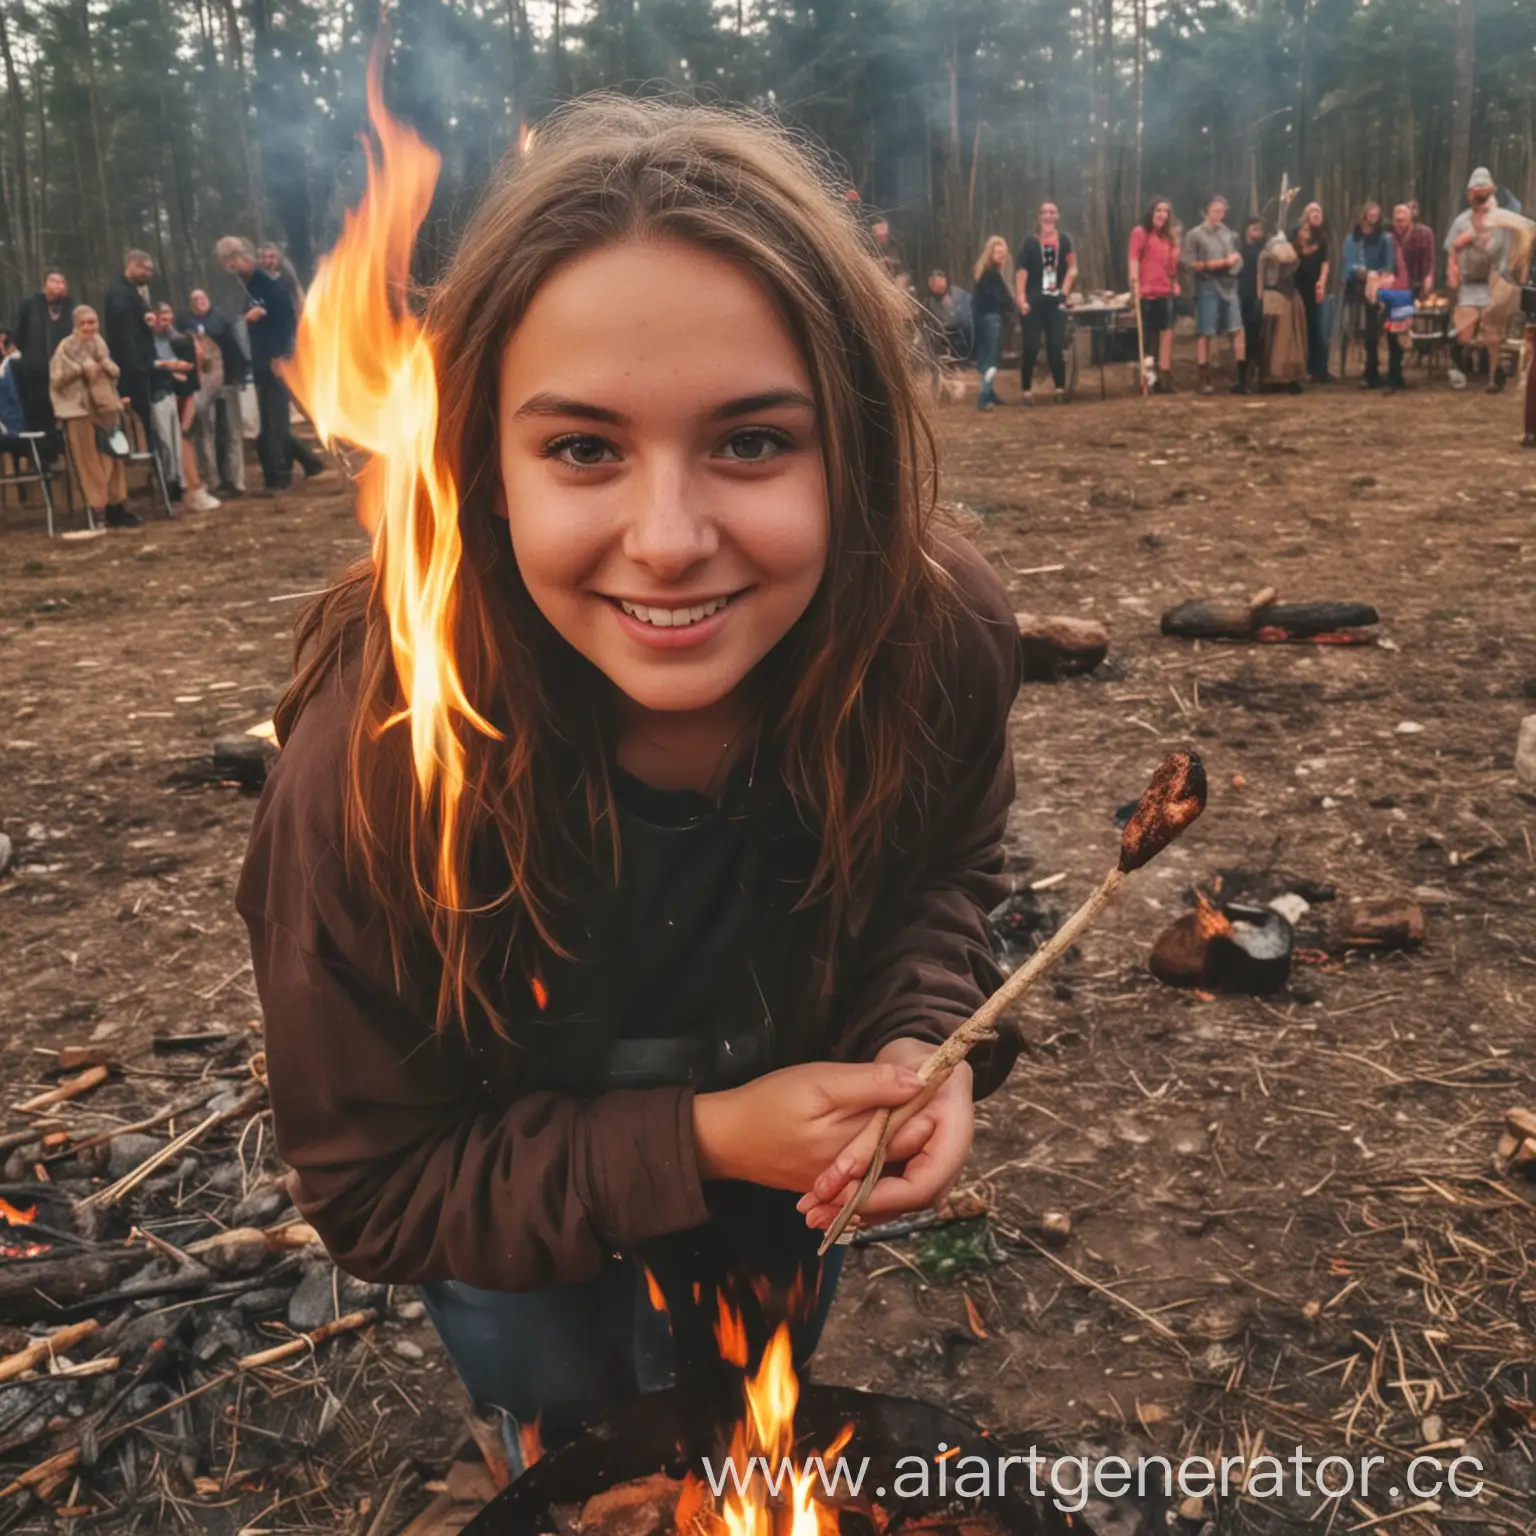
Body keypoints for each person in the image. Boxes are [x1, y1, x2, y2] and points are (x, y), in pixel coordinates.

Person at [236, 97, 1023, 1468]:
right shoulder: (380, 762)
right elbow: (379, 1187)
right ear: (481, 466)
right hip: (506, 1203)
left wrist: (920, 1032)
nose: (667, 542)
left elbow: (943, 877)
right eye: (585, 448)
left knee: (750, 1391)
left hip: (791, 1169)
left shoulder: (929, 639)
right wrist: (707, 1136)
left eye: (754, 441)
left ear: (858, 452)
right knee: (567, 1409)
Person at [217, 235, 327, 491]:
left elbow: (288, 322)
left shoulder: (268, 284)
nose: (231, 268)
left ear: (243, 258)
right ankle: (307, 464)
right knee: (268, 419)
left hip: (275, 361)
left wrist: (283, 357)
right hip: (257, 362)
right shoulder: (242, 287)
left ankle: (280, 475)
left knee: (275, 420)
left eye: (233, 262)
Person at [1444, 167, 1533, 393]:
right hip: (1470, 282)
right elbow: (1451, 251)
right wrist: (1452, 270)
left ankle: (1494, 377)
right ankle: (1462, 361)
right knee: (1465, 333)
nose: (1480, 197)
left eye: (1484, 192)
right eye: (1476, 192)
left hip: (1498, 280)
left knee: (1492, 332)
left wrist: (1521, 265)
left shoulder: (1503, 219)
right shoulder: (1462, 221)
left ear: (1491, 191)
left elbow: (1529, 230)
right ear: (1469, 195)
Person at [49, 305, 136, 528]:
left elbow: (112, 373)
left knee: (113, 457)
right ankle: (98, 509)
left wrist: (106, 366)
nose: (88, 327)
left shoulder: (100, 344)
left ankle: (117, 507)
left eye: (92, 322)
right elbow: (56, 379)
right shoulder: (66, 347)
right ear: (75, 325)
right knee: (90, 462)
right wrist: (80, 370)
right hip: (80, 411)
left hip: (106, 408)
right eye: (83, 323)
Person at [151, 302, 220, 512]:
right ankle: (191, 489)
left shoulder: (178, 338)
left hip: (184, 392)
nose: (166, 321)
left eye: (169, 315)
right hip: (166, 395)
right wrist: (171, 370)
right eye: (161, 317)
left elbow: (193, 366)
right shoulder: (152, 343)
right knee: (177, 442)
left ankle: (191, 488)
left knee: (183, 436)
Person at [180, 288, 248, 497]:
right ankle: (212, 481)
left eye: (202, 298)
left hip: (226, 381)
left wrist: (239, 376)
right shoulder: (185, 324)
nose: (199, 301)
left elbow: (235, 349)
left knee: (232, 433)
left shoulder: (222, 321)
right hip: (201, 385)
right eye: (194, 299)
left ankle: (237, 481)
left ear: (208, 299)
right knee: (204, 434)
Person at [1183, 195, 1247, 394]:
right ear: (1207, 211)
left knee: (1237, 329)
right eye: (1216, 210)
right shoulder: (1195, 235)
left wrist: (1235, 262)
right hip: (1208, 284)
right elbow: (1188, 262)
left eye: (1222, 211)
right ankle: (1205, 379)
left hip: (1229, 284)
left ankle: (1241, 380)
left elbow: (1236, 257)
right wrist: (1212, 265)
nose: (1219, 214)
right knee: (1206, 332)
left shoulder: (1228, 233)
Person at [1014, 201, 1076, 404]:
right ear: (1039, 217)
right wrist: (1021, 298)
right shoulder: (1030, 242)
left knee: (1056, 345)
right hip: (1034, 300)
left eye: (1052, 212)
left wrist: (1064, 293)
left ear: (1057, 216)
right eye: (1044, 213)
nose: (1048, 216)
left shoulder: (1065, 240)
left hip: (1055, 300)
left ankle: (1059, 388)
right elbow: (1021, 271)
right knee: (1031, 345)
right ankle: (1026, 391)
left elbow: (1072, 268)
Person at [12, 269, 76, 452]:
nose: (58, 286)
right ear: (45, 285)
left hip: (63, 372)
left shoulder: (71, 308)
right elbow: (20, 334)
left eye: (61, 282)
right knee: (38, 416)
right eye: (53, 281)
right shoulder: (30, 305)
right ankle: (40, 455)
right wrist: (32, 358)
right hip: (36, 372)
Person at [103, 249, 159, 445]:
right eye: (146, 269)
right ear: (132, 265)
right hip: (131, 368)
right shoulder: (119, 293)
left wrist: (147, 319)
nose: (149, 274)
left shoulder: (131, 291)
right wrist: (137, 365)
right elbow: (124, 334)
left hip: (137, 362)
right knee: (142, 419)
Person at [1129, 197, 1180, 393]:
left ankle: (1165, 376)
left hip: (1164, 290)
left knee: (1166, 333)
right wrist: (1135, 284)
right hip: (1145, 292)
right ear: (1151, 212)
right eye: (1159, 210)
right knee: (1148, 336)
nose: (1162, 215)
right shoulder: (1140, 233)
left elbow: (1171, 266)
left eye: (1166, 211)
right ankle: (1147, 378)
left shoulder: (1168, 238)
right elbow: (1134, 258)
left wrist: (1174, 282)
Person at [1258, 233, 1307, 393]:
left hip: (1289, 298)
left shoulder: (1290, 255)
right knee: (1272, 341)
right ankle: (1272, 378)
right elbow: (1261, 279)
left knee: (1291, 341)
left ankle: (1291, 376)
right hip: (1273, 297)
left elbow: (1290, 260)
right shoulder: (1266, 256)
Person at [971, 236, 1014, 410]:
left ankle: (990, 393)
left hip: (982, 318)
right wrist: (1011, 306)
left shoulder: (988, 273)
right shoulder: (991, 275)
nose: (1000, 256)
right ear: (990, 253)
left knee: (987, 356)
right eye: (997, 252)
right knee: (991, 359)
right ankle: (983, 396)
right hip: (991, 318)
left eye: (1003, 253)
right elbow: (998, 298)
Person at [1292, 202, 1331, 382]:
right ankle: (1302, 366)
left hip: (1316, 287)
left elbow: (1325, 262)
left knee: (1318, 328)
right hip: (1298, 287)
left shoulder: (1322, 238)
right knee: (1302, 327)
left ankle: (1319, 368)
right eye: (1313, 211)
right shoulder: (1295, 233)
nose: (1316, 214)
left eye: (1319, 211)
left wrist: (1321, 283)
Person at [920, 269, 973, 368]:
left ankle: (961, 361)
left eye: (937, 281)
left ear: (944, 281)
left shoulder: (957, 294)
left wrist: (951, 310)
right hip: (944, 332)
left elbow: (965, 318)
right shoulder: (930, 301)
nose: (934, 284)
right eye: (932, 283)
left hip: (961, 331)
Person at [1237, 216, 1266, 381]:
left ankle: (1256, 375)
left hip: (1258, 296)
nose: (1259, 232)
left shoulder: (1263, 251)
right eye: (1255, 228)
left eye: (1260, 229)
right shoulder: (1239, 250)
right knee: (1243, 336)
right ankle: (1242, 376)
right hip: (1242, 295)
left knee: (1257, 336)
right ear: (1246, 229)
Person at [1393, 203, 1436, 301]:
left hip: (1417, 284)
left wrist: (1429, 277)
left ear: (1410, 219)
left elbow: (1429, 260)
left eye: (1402, 221)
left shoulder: (1423, 234)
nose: (1399, 224)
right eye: (1396, 221)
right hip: (1395, 285)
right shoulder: (1390, 235)